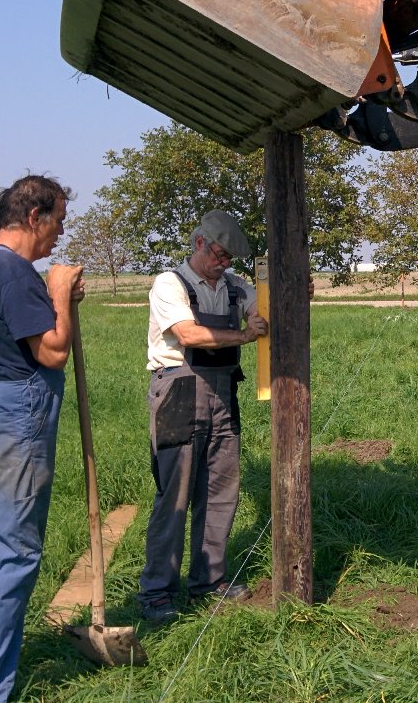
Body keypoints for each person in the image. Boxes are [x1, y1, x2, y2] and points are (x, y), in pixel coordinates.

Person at [0, 175, 84, 703]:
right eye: (59, 222)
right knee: (11, 558)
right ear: (34, 217)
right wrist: (59, 292)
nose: (60, 234)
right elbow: (52, 352)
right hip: (13, 428)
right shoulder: (12, 270)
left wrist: (54, 298)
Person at [137, 211, 268, 624]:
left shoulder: (235, 286)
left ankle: (208, 583)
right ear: (198, 243)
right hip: (179, 391)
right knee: (175, 495)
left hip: (224, 391)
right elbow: (189, 334)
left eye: (229, 258)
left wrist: (290, 296)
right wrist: (244, 335)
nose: (223, 263)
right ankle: (157, 592)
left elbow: (264, 307)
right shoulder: (169, 283)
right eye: (219, 254)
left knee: (221, 490)